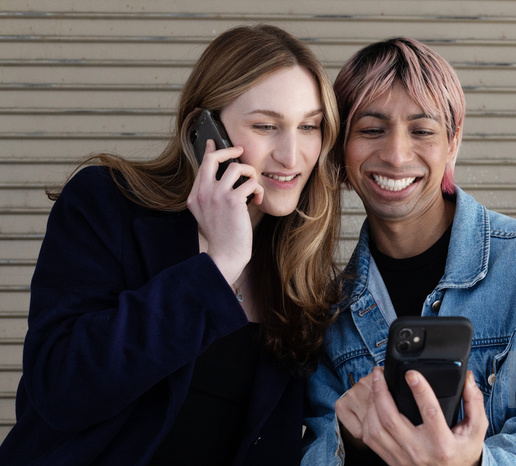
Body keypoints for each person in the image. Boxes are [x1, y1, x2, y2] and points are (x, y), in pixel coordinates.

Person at [0, 24, 341, 466]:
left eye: (309, 127)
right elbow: (63, 389)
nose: (292, 156)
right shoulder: (107, 205)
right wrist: (217, 266)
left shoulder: (300, 274)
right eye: (265, 126)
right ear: (206, 129)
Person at [302, 37, 516, 465]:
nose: (395, 154)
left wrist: (471, 462)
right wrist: (347, 444)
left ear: (453, 142)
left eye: (422, 131)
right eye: (371, 129)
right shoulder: (327, 315)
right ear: (340, 148)